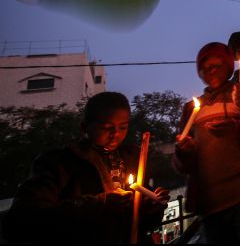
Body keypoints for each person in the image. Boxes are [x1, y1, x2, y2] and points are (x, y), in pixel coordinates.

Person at [2, 92, 169, 243]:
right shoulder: (59, 163)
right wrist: (99, 204)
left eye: (123, 127)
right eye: (106, 127)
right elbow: (21, 221)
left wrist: (152, 205)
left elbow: (142, 222)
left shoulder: (132, 159)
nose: (115, 134)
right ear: (85, 127)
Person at [173, 42, 240, 244]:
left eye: (218, 65)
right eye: (205, 68)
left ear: (229, 67)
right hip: (211, 207)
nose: (212, 71)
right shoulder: (191, 109)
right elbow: (181, 166)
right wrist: (183, 153)